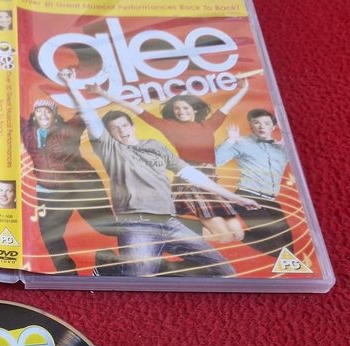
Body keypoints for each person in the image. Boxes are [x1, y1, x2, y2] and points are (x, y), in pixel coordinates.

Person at [67, 77, 260, 277]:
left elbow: (193, 175)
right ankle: (112, 268)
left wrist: (236, 198)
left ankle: (156, 269)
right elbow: (90, 118)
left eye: (124, 125)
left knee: (224, 271)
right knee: (137, 280)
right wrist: (72, 84)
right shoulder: (111, 149)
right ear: (109, 134)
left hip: (170, 222)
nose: (121, 131)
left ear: (132, 126)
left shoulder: (155, 146)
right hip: (137, 224)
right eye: (114, 129)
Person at [99, 80, 251, 242]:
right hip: (191, 183)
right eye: (177, 108)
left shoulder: (208, 125)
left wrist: (244, 89)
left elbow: (227, 106)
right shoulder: (168, 126)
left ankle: (169, 226)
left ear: (194, 109)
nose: (181, 111)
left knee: (238, 235)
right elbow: (134, 108)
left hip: (211, 181)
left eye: (185, 108)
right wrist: (103, 93)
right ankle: (165, 227)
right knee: (224, 237)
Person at [20, 94, 118, 274]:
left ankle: (132, 254)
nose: (43, 115)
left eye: (48, 111)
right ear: (34, 115)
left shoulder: (67, 129)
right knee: (50, 236)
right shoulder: (28, 132)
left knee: (107, 227)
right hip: (49, 192)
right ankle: (67, 274)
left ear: (55, 115)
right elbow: (10, 112)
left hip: (79, 185)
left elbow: (84, 113)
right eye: (39, 111)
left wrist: (79, 89)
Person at [215, 109, 293, 256]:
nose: (262, 126)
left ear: (273, 127)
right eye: (257, 123)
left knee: (287, 243)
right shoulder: (241, 143)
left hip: (271, 200)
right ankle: (235, 233)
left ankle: (236, 233)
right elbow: (216, 161)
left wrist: (289, 139)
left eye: (266, 123)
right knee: (274, 240)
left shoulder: (282, 149)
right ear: (251, 126)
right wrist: (230, 141)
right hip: (248, 196)